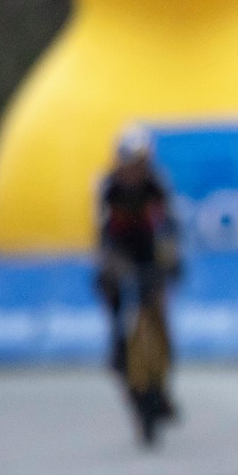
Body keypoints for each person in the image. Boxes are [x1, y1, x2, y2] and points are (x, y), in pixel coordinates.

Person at [95, 128, 179, 420]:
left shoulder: (156, 185)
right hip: (121, 253)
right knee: (115, 305)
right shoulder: (109, 188)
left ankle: (163, 376)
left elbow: (167, 226)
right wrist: (106, 267)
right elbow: (103, 234)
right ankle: (118, 352)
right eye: (129, 165)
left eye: (139, 165)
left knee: (157, 312)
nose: (134, 172)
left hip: (147, 253)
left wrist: (171, 259)